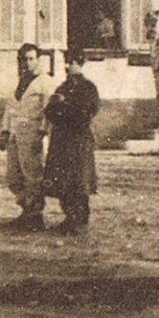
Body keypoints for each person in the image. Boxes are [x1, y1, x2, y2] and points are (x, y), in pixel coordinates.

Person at [44, 48, 100, 234]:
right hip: (62, 139)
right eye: (66, 61)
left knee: (78, 179)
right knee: (62, 180)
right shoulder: (62, 87)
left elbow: (86, 113)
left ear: (80, 63)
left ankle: (79, 218)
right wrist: (59, 104)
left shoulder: (89, 88)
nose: (68, 66)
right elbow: (49, 112)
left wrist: (64, 104)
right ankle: (69, 216)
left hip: (78, 140)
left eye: (72, 62)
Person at [1, 43, 53, 231]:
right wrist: (5, 130)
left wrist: (42, 132)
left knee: (32, 175)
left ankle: (35, 216)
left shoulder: (45, 82)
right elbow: (10, 108)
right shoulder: (18, 82)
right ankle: (26, 211)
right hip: (15, 132)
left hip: (32, 132)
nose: (27, 63)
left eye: (31, 59)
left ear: (38, 60)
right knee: (13, 176)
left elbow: (49, 111)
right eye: (24, 59)